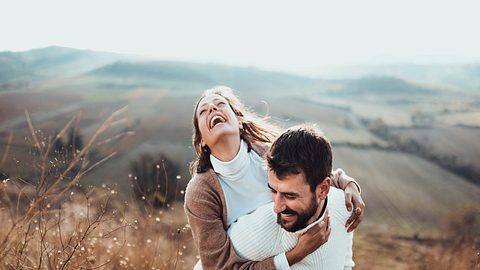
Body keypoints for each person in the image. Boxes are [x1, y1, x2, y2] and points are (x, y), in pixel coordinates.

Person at [184, 86, 365, 269]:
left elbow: (311, 175)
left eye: (220, 104)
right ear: (201, 140)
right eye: (204, 111)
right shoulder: (200, 192)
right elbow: (218, 266)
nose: (213, 109)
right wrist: (296, 254)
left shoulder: (267, 153)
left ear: (239, 121)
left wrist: (349, 184)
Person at [228, 125, 355, 270]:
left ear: (323, 189)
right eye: (274, 191)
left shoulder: (344, 207)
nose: (276, 207)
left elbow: (345, 265)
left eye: (289, 195)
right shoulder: (253, 232)